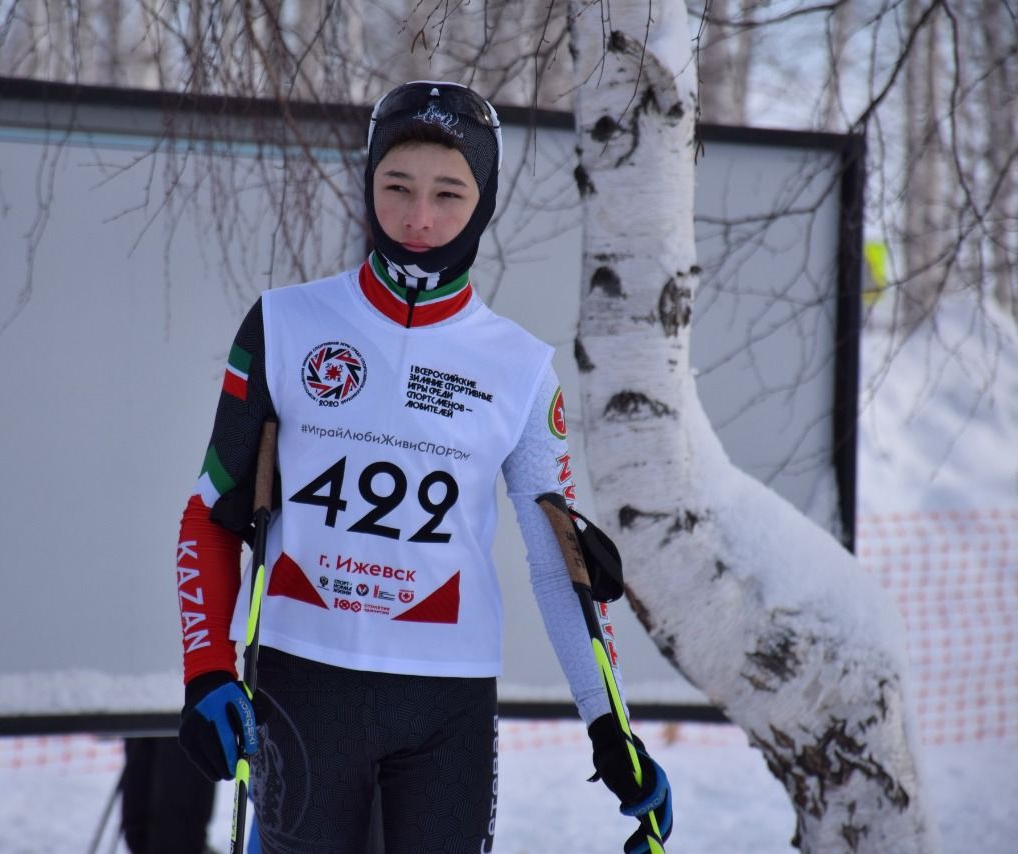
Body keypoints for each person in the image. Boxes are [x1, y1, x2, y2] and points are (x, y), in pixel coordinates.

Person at [173, 80, 673, 854]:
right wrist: (206, 670)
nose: (419, 218)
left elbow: (559, 563)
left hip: (445, 706)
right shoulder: (283, 323)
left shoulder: (519, 368)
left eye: (450, 192)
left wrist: (610, 725)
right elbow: (211, 513)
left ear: (485, 200)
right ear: (368, 181)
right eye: (396, 186)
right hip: (303, 686)